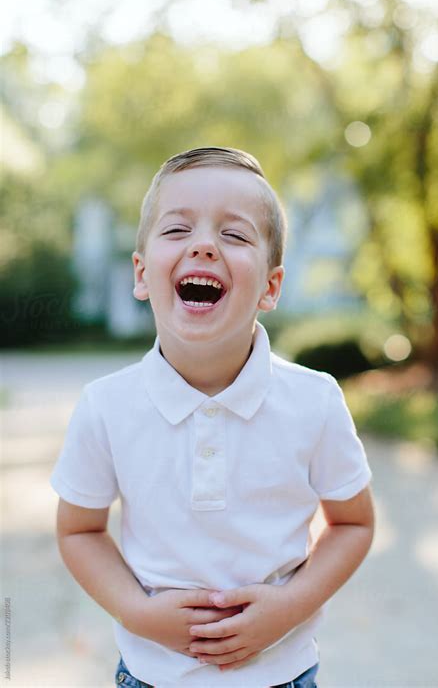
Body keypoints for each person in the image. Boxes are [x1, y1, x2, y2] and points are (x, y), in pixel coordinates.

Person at [50, 146, 375, 688]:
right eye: (178, 230)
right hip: (150, 677)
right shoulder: (106, 406)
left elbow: (354, 522)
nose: (203, 244)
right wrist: (137, 611)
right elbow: (79, 530)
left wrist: (291, 606)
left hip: (284, 676)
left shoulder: (314, 400)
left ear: (270, 287)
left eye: (235, 234)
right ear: (141, 273)